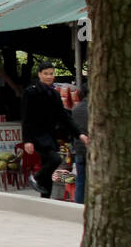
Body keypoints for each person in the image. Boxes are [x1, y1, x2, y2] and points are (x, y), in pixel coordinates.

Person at [22, 62, 88, 199]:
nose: (48, 76)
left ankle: (45, 199)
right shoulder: (30, 92)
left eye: (51, 74)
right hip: (36, 135)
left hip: (50, 135)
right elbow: (26, 117)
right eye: (45, 73)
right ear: (39, 74)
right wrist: (27, 140)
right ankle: (36, 177)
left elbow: (64, 117)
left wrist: (80, 134)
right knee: (55, 159)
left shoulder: (54, 94)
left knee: (49, 167)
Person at [71, 85, 88, 204]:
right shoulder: (97, 108)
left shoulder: (75, 109)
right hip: (91, 150)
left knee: (80, 181)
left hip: (79, 149)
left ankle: (78, 206)